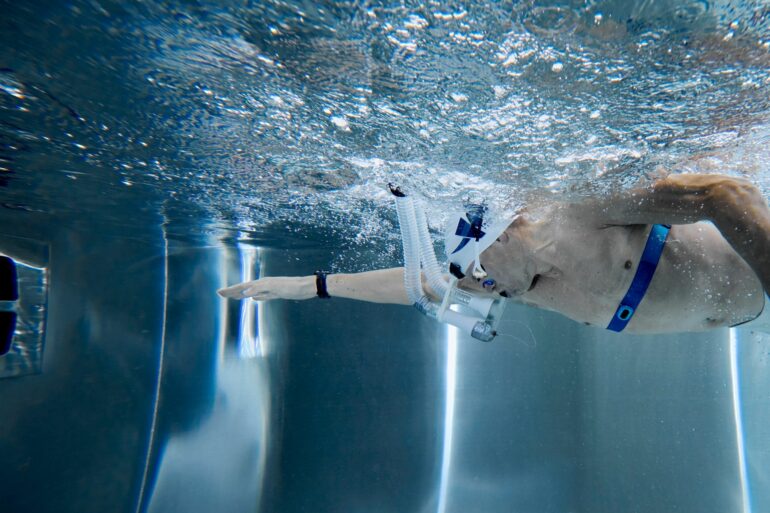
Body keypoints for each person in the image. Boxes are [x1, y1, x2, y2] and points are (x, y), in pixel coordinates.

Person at [219, 174, 770, 334]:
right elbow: (424, 284)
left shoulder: (579, 211)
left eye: (480, 270)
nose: (484, 288)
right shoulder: (515, 277)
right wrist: (311, 286)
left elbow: (725, 194)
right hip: (745, 318)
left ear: (506, 234)